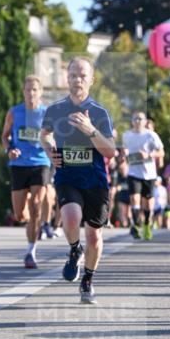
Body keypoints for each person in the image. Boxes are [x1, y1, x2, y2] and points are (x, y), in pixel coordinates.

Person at [40, 56, 115, 304]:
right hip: (67, 177)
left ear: (91, 80)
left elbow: (110, 151)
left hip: (95, 181)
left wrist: (90, 130)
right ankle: (74, 249)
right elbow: (44, 134)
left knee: (94, 236)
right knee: (70, 218)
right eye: (73, 75)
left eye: (82, 75)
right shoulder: (55, 109)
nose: (77, 79)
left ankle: (88, 279)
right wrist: (51, 153)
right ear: (67, 78)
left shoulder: (99, 113)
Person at [1, 74, 51, 269]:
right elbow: (4, 136)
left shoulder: (47, 113)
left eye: (35, 90)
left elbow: (54, 137)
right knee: (20, 214)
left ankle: (31, 251)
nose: (31, 93)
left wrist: (50, 144)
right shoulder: (14, 112)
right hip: (19, 165)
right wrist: (9, 150)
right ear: (23, 91)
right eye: (28, 89)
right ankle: (31, 223)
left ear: (40, 92)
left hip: (40, 162)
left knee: (36, 205)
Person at [121, 111, 163, 241]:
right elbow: (124, 151)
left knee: (148, 204)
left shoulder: (151, 135)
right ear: (132, 121)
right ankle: (136, 225)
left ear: (145, 121)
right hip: (133, 172)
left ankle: (146, 225)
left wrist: (148, 155)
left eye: (140, 119)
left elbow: (161, 152)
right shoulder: (126, 135)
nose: (138, 121)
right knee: (134, 199)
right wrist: (124, 153)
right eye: (135, 119)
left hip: (149, 174)